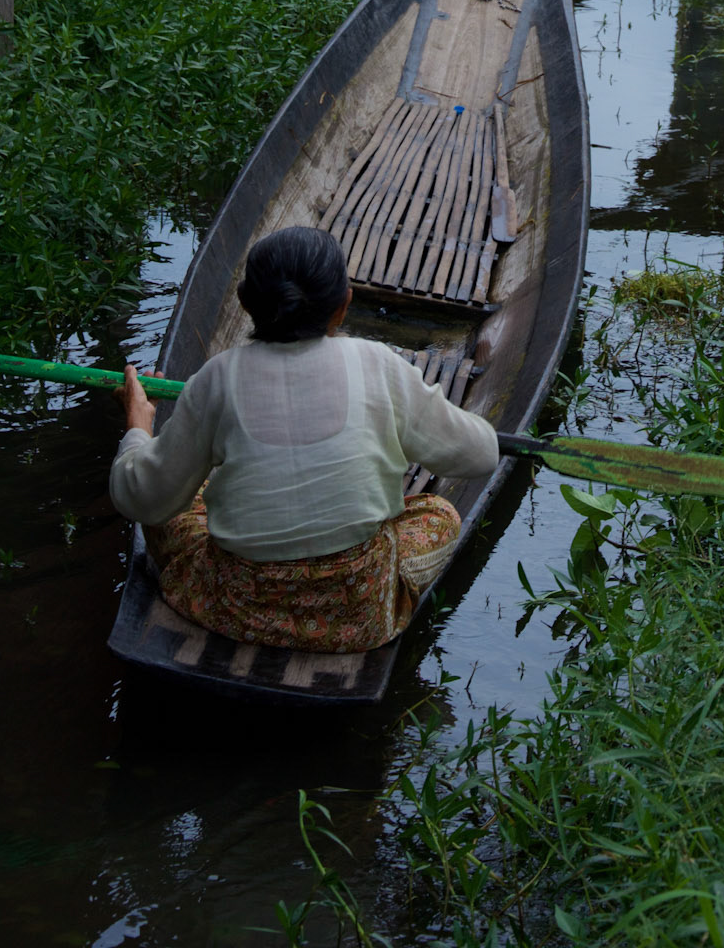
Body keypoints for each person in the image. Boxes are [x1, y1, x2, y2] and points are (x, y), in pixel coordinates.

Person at [109, 225, 498, 653]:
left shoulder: (215, 378)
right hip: (357, 616)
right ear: (344, 304)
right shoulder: (379, 365)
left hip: (236, 608)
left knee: (173, 506)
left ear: (244, 303)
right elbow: (481, 456)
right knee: (438, 514)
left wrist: (139, 426)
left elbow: (141, 499)